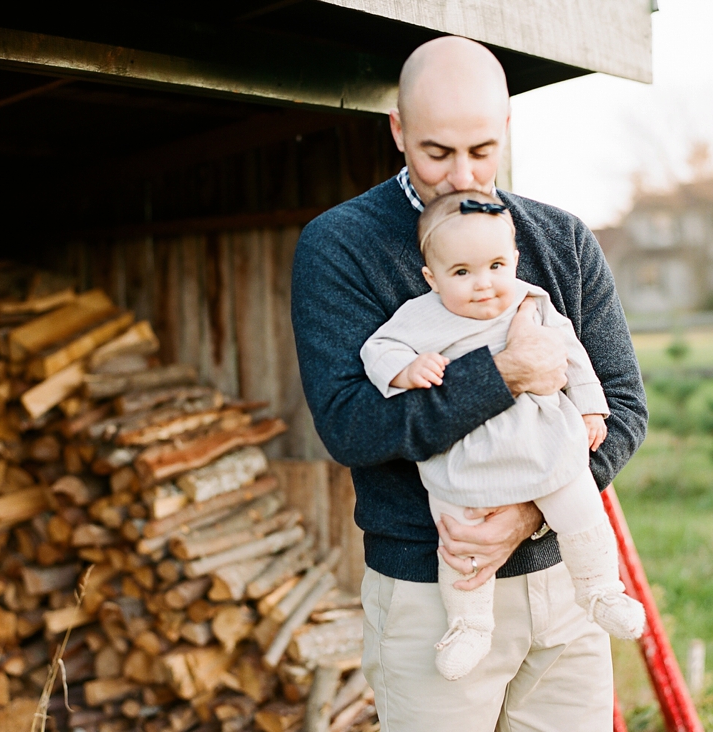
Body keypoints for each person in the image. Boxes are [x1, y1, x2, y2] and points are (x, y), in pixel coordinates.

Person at [291, 36, 648, 732]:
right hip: (432, 590)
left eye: (481, 151)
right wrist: (504, 374)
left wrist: (531, 516)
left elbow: (624, 407)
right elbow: (349, 425)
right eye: (436, 153)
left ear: (506, 128)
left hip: (565, 583)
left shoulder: (560, 239)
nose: (461, 177)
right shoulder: (339, 247)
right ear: (398, 131)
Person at [359, 190, 645, 681]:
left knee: (580, 505)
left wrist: (592, 407)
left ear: (513, 260)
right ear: (433, 278)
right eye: (462, 273)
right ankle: (468, 625)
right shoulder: (420, 317)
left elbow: (572, 354)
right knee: (462, 540)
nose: (484, 285)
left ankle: (600, 589)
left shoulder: (530, 300)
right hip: (468, 456)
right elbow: (377, 348)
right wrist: (406, 369)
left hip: (543, 440)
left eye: (495, 265)